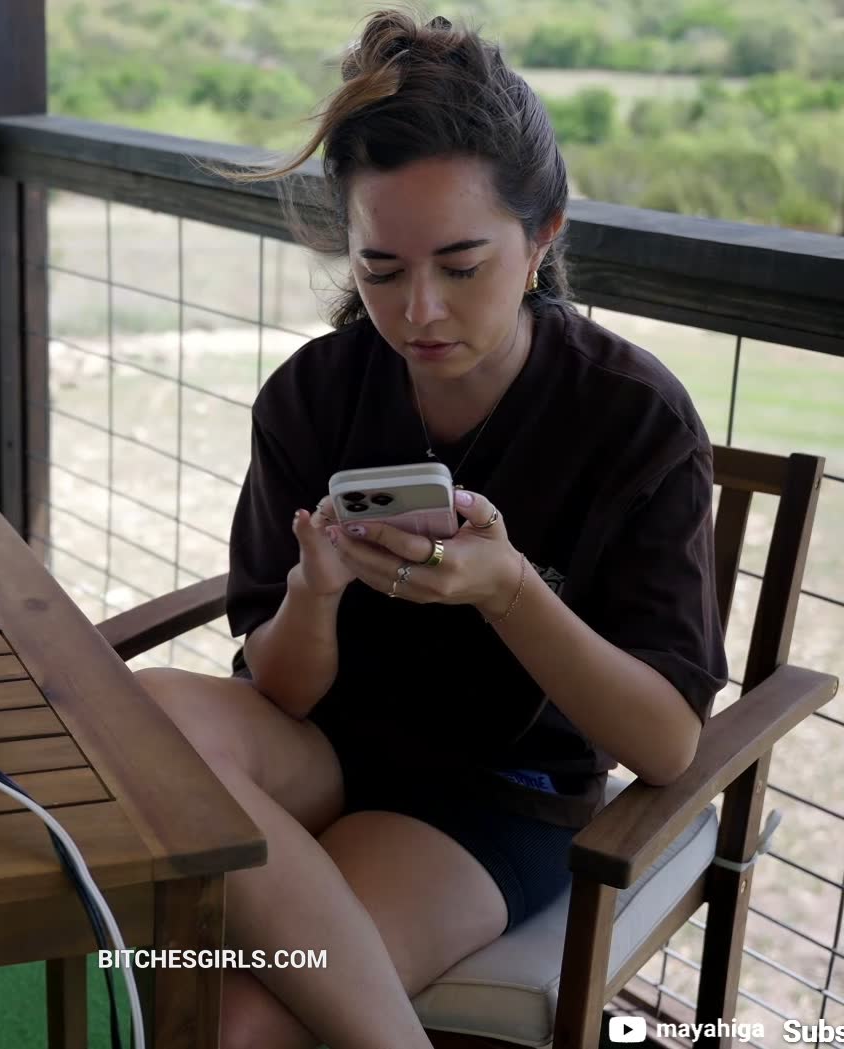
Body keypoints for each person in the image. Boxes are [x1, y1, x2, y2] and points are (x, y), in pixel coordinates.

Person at [134, 8, 729, 1049]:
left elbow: (667, 743)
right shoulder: (315, 395)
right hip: (319, 748)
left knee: (231, 1015)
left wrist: (510, 589)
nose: (417, 313)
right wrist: (315, 592)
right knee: (145, 714)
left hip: (491, 798)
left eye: (460, 267)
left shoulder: (632, 420)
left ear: (542, 238)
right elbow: (279, 691)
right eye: (380, 270)